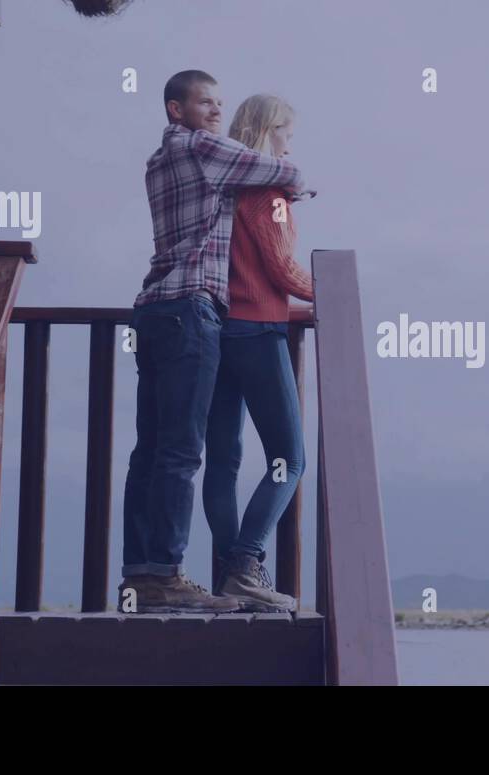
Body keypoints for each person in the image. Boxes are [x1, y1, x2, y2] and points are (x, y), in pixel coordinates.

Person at [120, 71, 305, 614]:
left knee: (151, 452)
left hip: (152, 309)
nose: (216, 110)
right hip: (193, 312)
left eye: (221, 102)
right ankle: (189, 573)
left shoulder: (158, 161)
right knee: (185, 453)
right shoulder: (205, 150)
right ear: (176, 110)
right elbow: (280, 170)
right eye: (205, 102)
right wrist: (296, 183)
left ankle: (143, 576)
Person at [204, 94, 314, 613]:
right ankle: (245, 564)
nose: (291, 143)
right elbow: (281, 270)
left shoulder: (224, 187)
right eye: (287, 132)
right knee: (289, 459)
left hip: (216, 330)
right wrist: (333, 291)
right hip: (257, 329)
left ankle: (230, 577)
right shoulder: (269, 191)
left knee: (223, 462)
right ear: (271, 130)